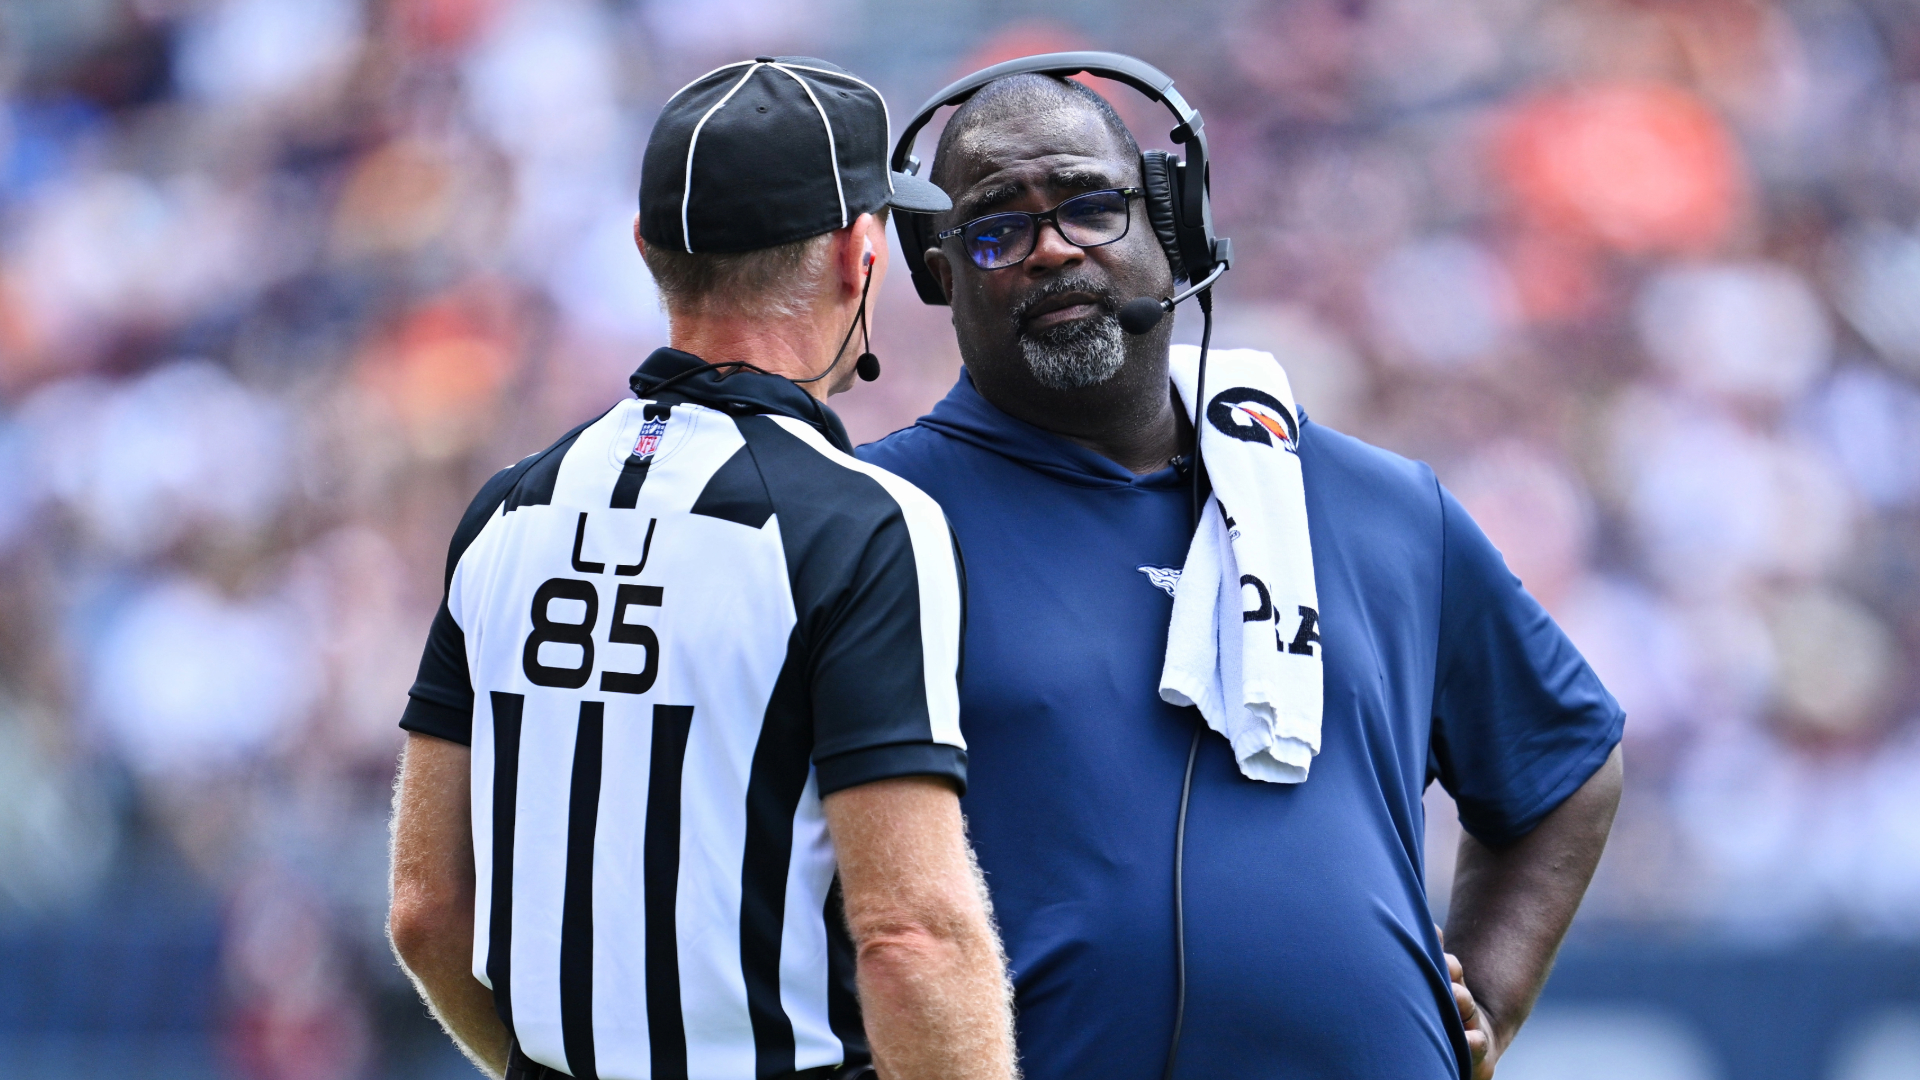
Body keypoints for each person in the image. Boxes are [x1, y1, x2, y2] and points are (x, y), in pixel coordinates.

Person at [857, 70, 1624, 1080]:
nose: (1052, 248)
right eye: (997, 230)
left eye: (1089, 205)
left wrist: (1492, 995)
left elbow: (1565, 765)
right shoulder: (871, 521)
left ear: (1171, 221)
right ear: (941, 275)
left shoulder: (1383, 507)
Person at [388, 57, 1017, 1080]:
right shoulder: (864, 526)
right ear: (859, 254)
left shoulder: (507, 510)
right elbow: (911, 937)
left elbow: (426, 912)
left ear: (647, 249)